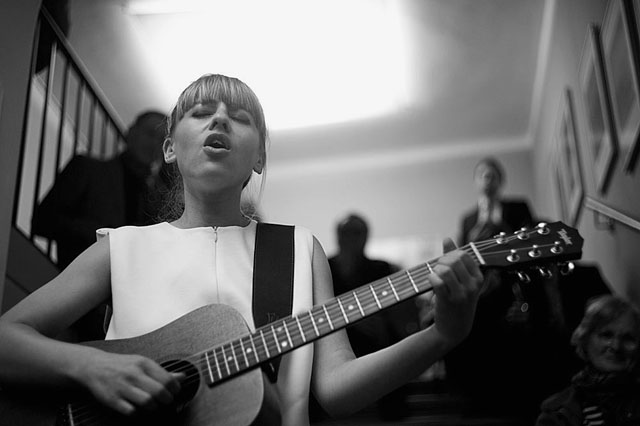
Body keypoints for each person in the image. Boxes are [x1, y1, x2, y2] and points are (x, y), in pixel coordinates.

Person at [0, 74, 483, 426]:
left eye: (241, 117)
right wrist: (91, 365)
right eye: (202, 112)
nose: (221, 120)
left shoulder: (299, 248)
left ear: (260, 157)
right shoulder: (120, 248)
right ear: (170, 148)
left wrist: (444, 333)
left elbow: (335, 390)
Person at [32, 110, 169, 269]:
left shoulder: (159, 198)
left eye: (161, 140)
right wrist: (101, 235)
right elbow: (43, 221)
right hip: (83, 279)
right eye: (150, 133)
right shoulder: (88, 169)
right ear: (131, 132)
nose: (154, 144)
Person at [326, 213, 417, 420]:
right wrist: (353, 320)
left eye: (357, 232)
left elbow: (397, 310)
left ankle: (393, 412)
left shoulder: (381, 268)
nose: (351, 238)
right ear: (338, 236)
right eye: (346, 232)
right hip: (333, 340)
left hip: (375, 342)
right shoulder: (325, 268)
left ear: (366, 237)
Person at [536, 294, 640, 426]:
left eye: (628, 338)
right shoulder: (557, 412)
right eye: (606, 335)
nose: (616, 346)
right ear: (585, 339)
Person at [458, 157, 535, 246]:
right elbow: (463, 252)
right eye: (480, 174)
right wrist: (471, 240)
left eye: (492, 175)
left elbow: (531, 240)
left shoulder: (520, 208)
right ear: (475, 181)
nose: (486, 177)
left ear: (501, 181)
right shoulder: (467, 221)